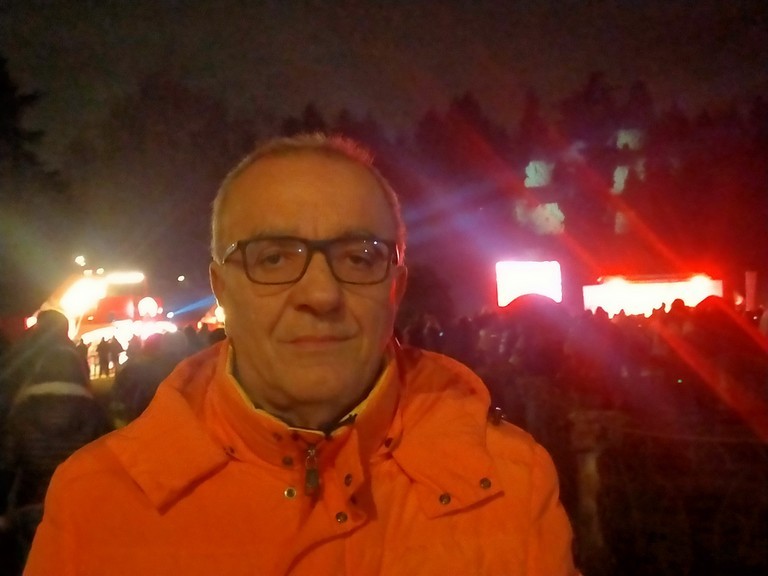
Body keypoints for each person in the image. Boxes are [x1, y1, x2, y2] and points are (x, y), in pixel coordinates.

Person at [25, 134, 579, 575]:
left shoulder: (512, 483)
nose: (320, 294)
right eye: (272, 258)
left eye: (359, 257)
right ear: (221, 288)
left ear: (395, 288)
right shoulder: (94, 502)